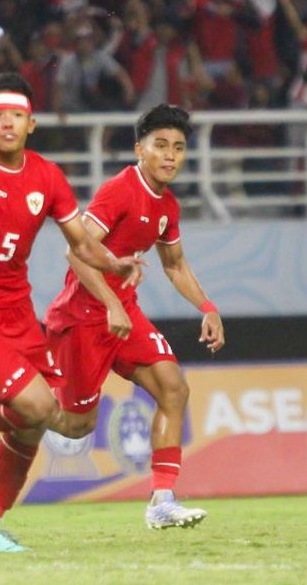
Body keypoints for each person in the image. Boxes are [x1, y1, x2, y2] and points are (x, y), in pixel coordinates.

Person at [0, 37, 143, 553]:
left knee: (68, 425)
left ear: (31, 125)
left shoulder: (47, 176)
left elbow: (82, 242)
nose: (9, 123)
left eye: (18, 115)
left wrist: (115, 264)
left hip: (17, 313)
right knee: (34, 406)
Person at [43, 104, 224, 530]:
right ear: (139, 148)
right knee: (75, 426)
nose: (170, 156)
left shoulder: (168, 206)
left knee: (174, 389)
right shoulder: (120, 190)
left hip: (124, 315)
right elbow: (76, 250)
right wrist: (110, 302)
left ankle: (162, 501)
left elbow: (175, 265)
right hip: (85, 316)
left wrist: (208, 307)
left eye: (178, 148)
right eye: (160, 146)